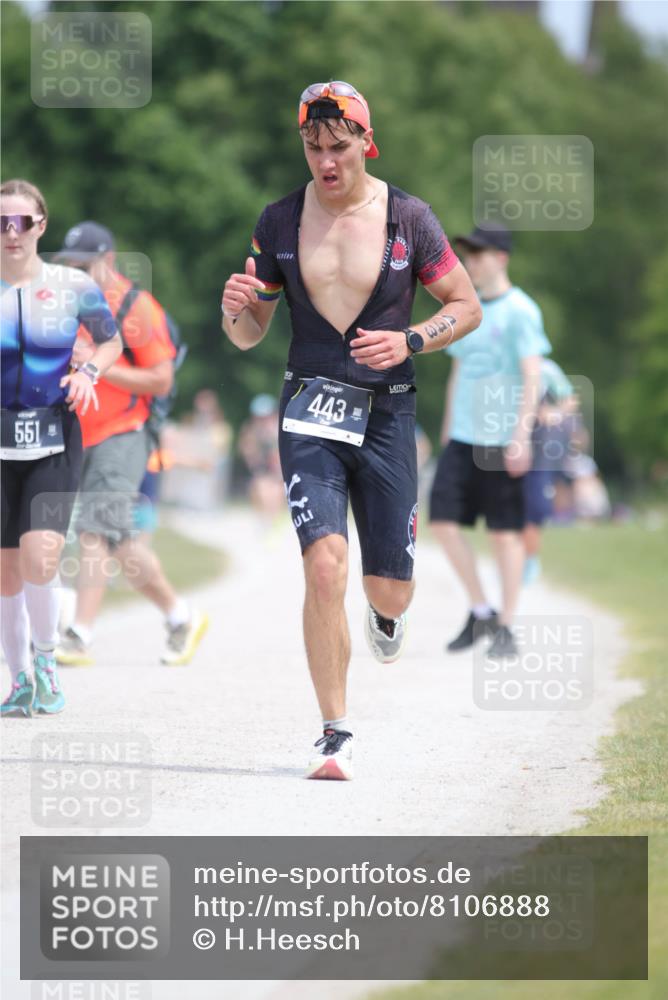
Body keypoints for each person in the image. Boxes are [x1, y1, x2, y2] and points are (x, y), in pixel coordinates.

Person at [221, 81, 481, 780]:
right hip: (308, 408)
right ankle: (334, 728)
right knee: (324, 565)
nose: (325, 161)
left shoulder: (408, 218)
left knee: (388, 588)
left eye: (338, 147)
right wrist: (234, 311)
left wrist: (415, 340)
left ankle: (387, 615)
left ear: (367, 142)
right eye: (312, 148)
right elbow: (250, 335)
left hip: (389, 412)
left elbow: (467, 304)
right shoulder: (278, 222)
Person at [52, 222, 208, 667]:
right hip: (77, 433)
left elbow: (162, 380)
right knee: (119, 540)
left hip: (124, 430)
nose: (76, 271)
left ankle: (79, 634)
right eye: (70, 264)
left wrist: (100, 369)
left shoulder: (137, 309)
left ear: (109, 261)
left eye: (84, 264)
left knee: (95, 527)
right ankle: (181, 616)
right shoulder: (69, 303)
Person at [1, 180, 122, 717]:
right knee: (6, 571)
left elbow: (112, 339)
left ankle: (46, 661)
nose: (11, 233)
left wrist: (90, 371)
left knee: (41, 556)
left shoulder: (72, 286)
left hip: (53, 435)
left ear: (40, 226)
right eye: (2, 223)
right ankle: (19, 679)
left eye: (21, 222)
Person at [429, 224, 551, 658]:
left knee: (505, 534)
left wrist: (522, 435)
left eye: (477, 255)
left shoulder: (522, 310)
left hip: (503, 439)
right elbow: (459, 369)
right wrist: (447, 426)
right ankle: (481, 609)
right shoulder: (466, 308)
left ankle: (506, 624)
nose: (470, 263)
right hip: (463, 435)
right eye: (467, 256)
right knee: (442, 522)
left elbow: (533, 374)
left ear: (501, 258)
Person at [523, 357, 577, 584]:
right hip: (502, 448)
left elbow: (570, 399)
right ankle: (512, 558)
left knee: (532, 509)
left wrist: (553, 413)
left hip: (537, 450)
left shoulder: (546, 368)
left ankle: (529, 560)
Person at [238, 394, 285, 516]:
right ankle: (265, 518)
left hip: (278, 468)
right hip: (262, 468)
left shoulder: (278, 427)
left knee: (275, 490)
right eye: (259, 417)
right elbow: (247, 451)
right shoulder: (251, 430)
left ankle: (272, 517)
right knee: (259, 487)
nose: (263, 420)